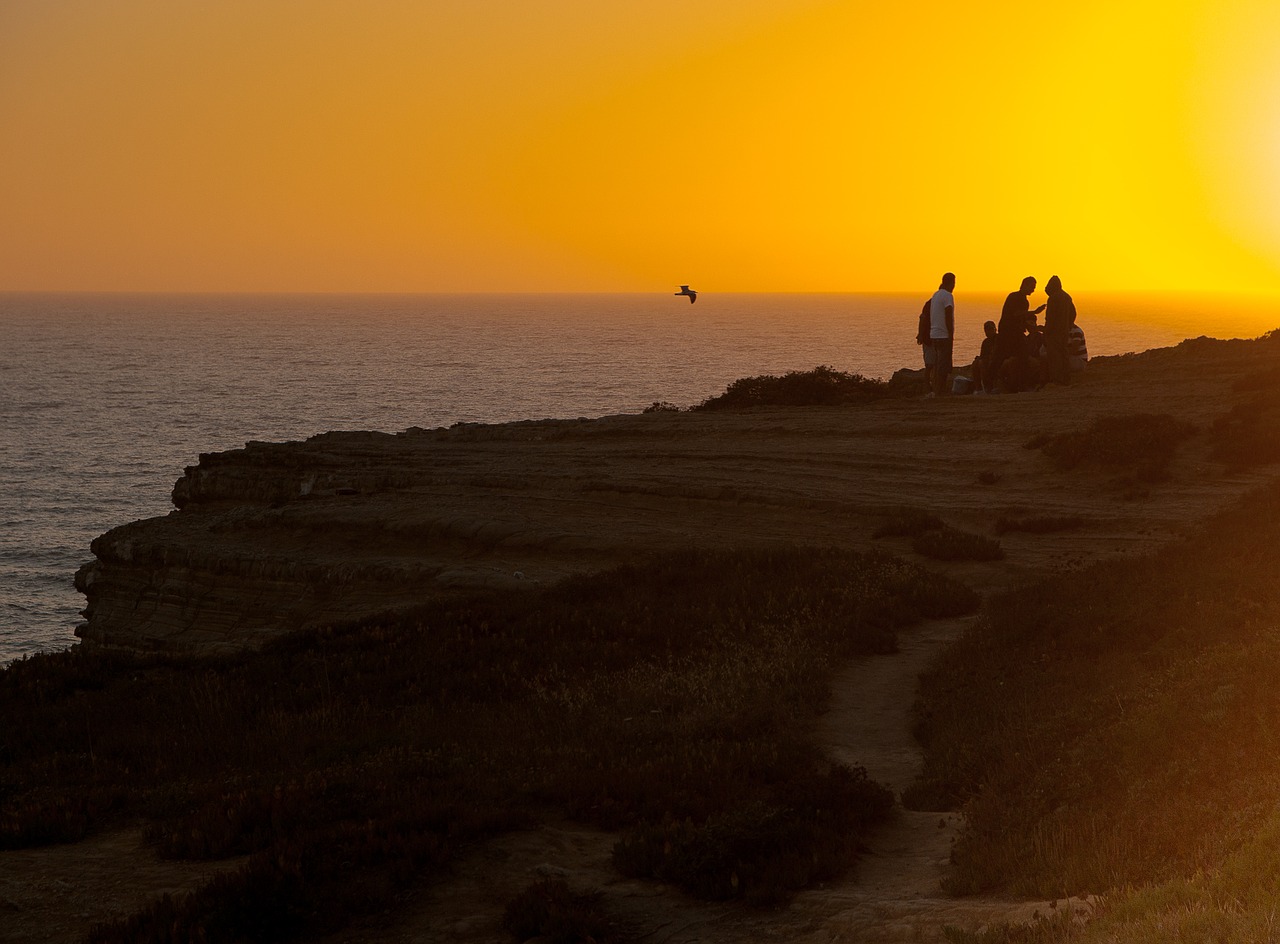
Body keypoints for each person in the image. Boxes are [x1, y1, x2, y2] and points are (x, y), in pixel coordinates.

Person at [992, 276, 1044, 393]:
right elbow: (1015, 314)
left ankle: (1016, 383)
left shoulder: (1022, 300)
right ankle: (994, 384)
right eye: (1032, 287)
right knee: (1000, 357)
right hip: (1008, 332)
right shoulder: (1016, 297)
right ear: (1025, 285)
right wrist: (1034, 312)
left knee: (1018, 357)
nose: (1033, 290)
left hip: (1015, 332)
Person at [1043, 275, 1077, 385]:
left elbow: (1050, 318)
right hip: (1064, 331)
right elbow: (1073, 313)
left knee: (1054, 356)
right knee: (1064, 354)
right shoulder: (1067, 297)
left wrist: (1046, 332)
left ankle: (1057, 380)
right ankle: (1066, 378)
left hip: (1054, 332)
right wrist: (1069, 324)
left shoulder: (1053, 298)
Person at [927, 272, 956, 397]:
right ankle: (940, 391)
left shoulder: (936, 295)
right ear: (951, 283)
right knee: (943, 365)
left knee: (937, 363)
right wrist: (951, 333)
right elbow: (948, 314)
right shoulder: (948, 296)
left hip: (934, 334)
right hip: (943, 335)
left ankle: (936, 389)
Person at [916, 298, 936, 391]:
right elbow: (922, 319)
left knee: (932, 364)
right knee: (930, 365)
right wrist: (920, 334)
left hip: (931, 338)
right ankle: (928, 386)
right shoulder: (931, 304)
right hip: (929, 339)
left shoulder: (931, 303)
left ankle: (931, 384)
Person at [976, 320, 998, 392]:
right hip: (987, 360)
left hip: (996, 359)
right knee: (977, 364)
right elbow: (982, 355)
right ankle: (979, 387)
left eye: (991, 329)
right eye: (987, 330)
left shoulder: (999, 339)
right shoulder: (985, 342)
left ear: (995, 329)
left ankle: (990, 386)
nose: (989, 332)